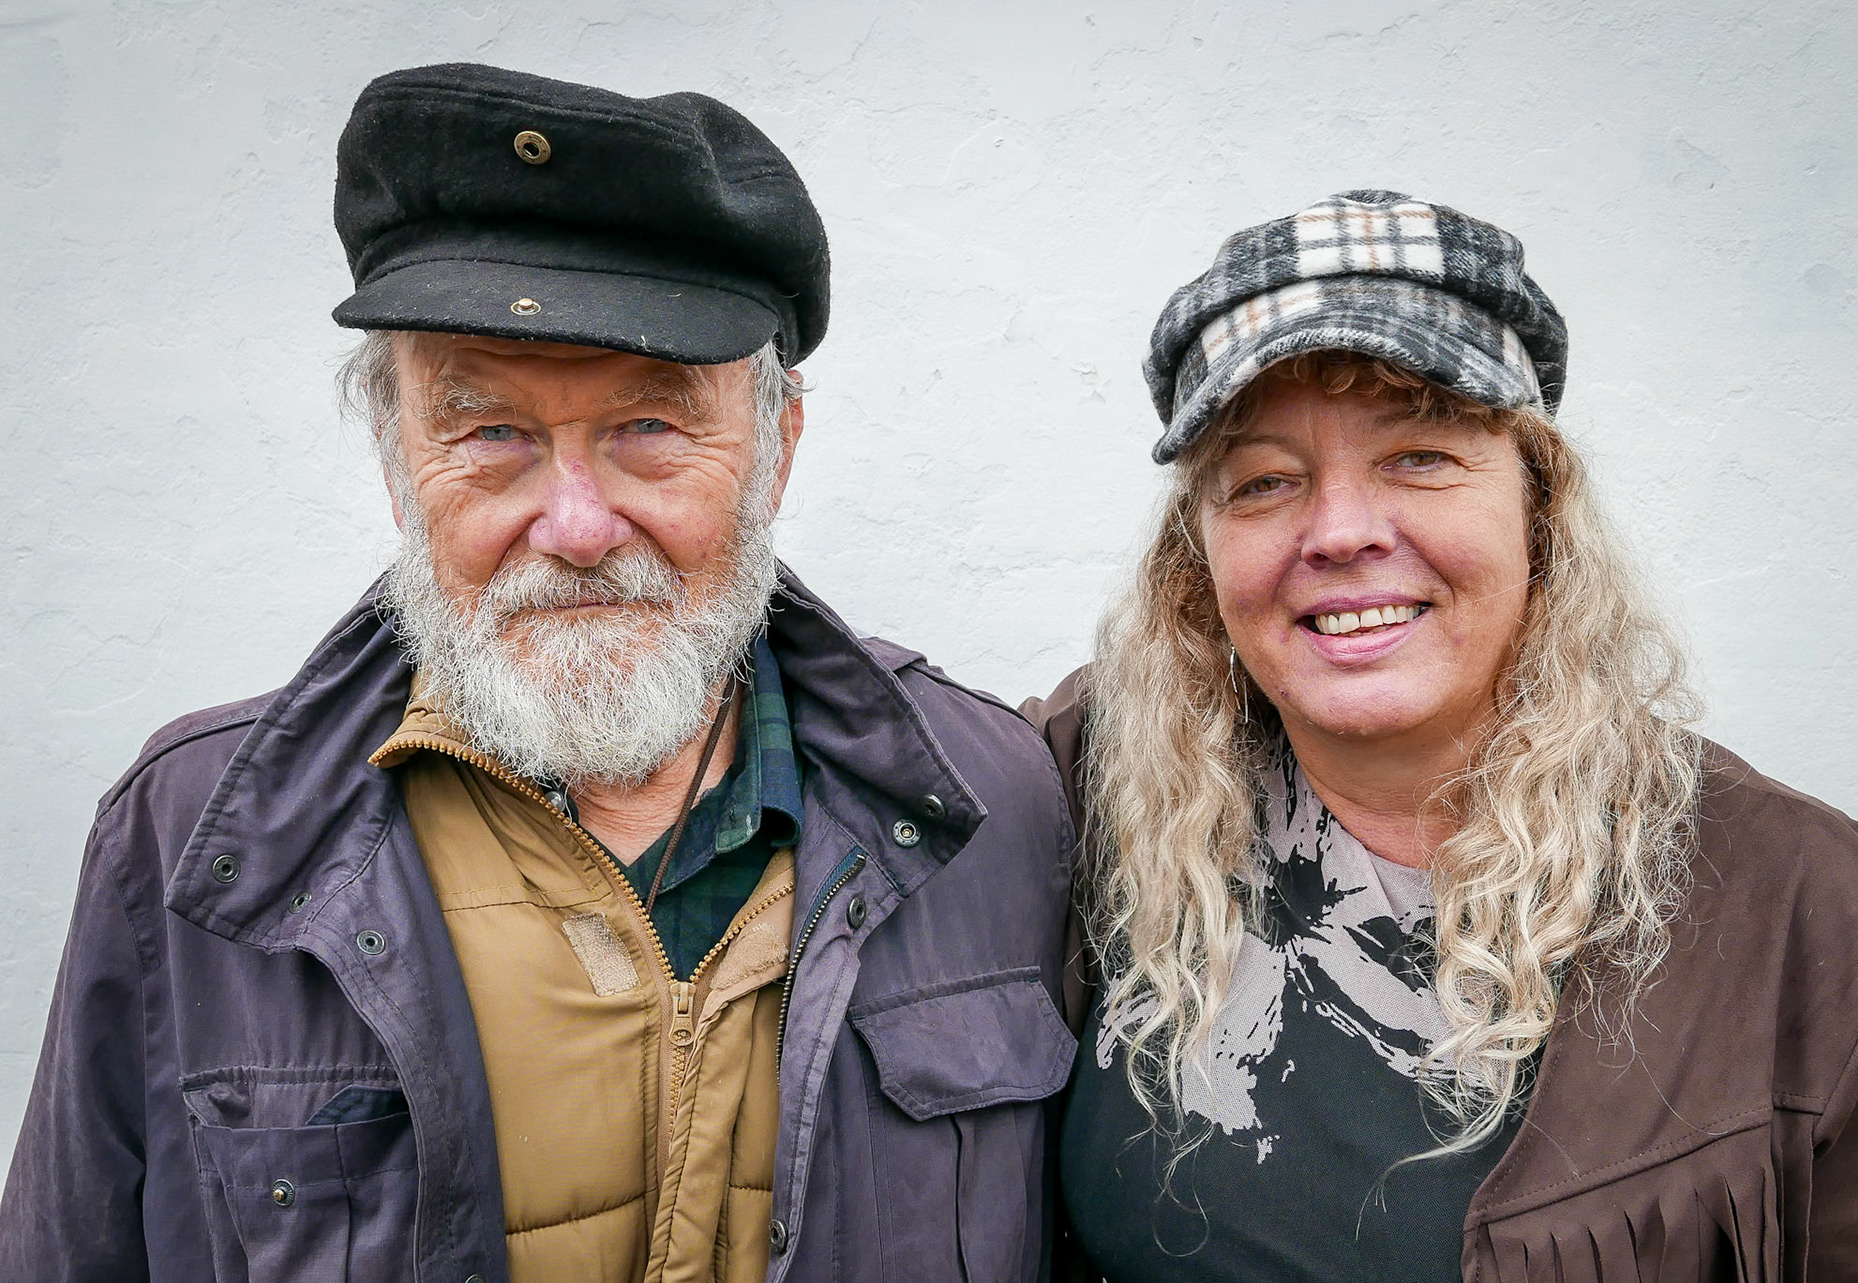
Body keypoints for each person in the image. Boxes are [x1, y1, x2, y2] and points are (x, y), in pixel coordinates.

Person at [0, 65, 1076, 1283]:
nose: (576, 526)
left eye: (649, 427)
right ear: (399, 463)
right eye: (492, 431)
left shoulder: (992, 798)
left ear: (775, 452)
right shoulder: (189, 836)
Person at [1028, 190, 1858, 1281]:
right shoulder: (1085, 788)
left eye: (1419, 455)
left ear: (1540, 508)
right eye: (1263, 481)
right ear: (1195, 558)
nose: (1340, 530)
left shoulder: (1805, 910)